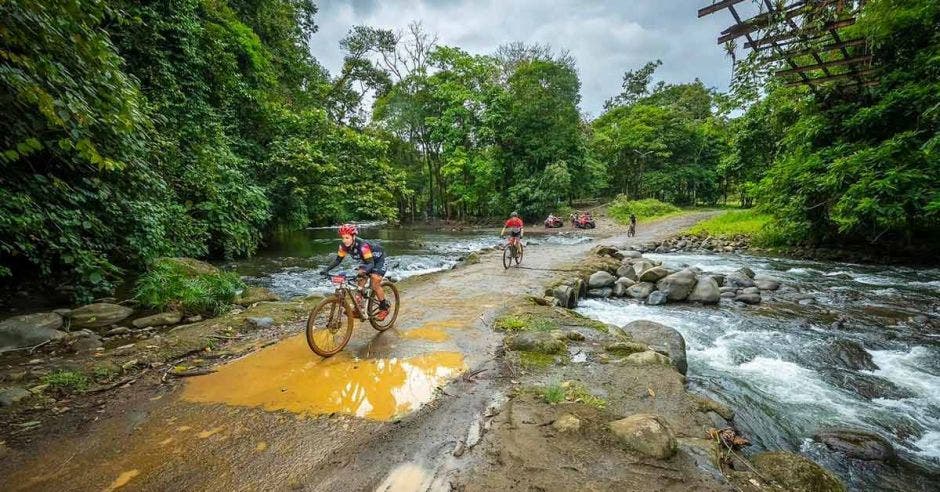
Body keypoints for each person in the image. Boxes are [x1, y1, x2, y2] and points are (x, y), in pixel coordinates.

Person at [319, 224, 390, 320]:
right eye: (343, 238)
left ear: (353, 236)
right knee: (360, 283)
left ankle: (384, 308)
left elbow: (371, 264)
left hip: (378, 260)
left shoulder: (363, 245)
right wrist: (326, 270)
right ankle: (359, 308)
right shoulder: (343, 246)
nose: (345, 240)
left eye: (347, 238)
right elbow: (338, 260)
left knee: (374, 280)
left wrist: (363, 272)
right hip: (366, 260)